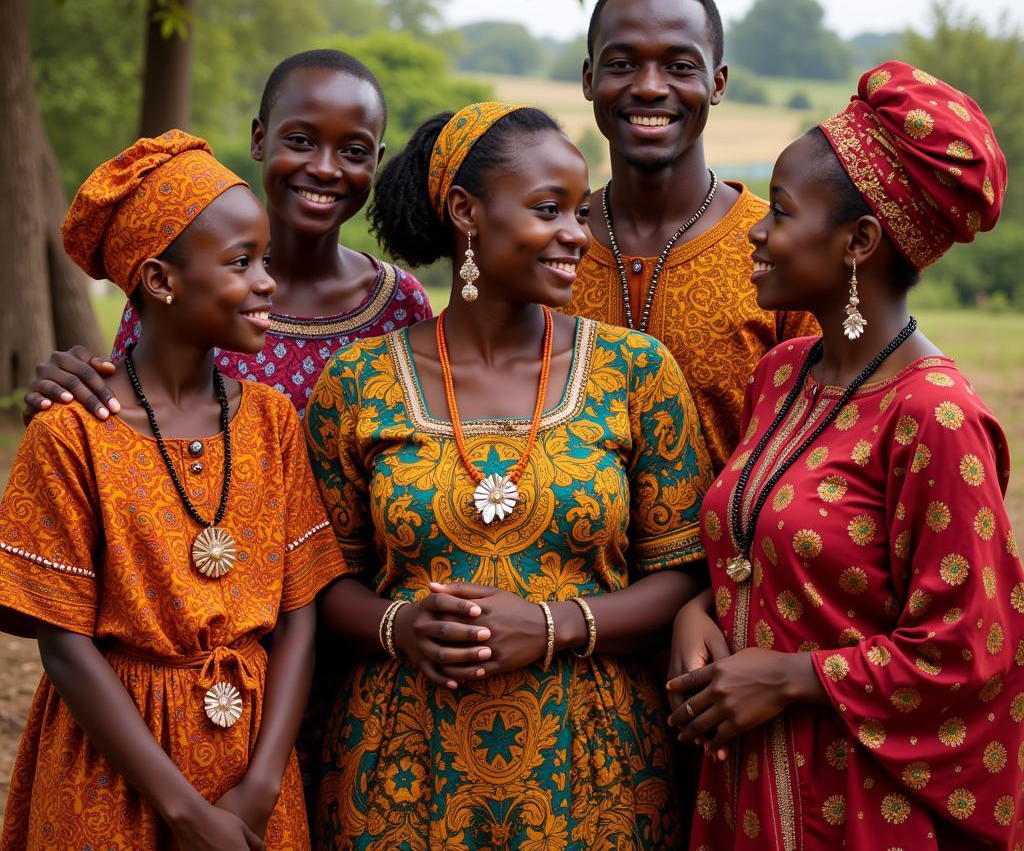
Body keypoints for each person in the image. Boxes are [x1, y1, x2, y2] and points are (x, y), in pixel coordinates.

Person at [303, 102, 715, 849]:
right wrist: (401, 626)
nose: (575, 236)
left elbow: (684, 570)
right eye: (548, 210)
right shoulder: (361, 381)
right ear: (466, 212)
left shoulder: (634, 371)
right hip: (399, 769)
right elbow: (318, 582)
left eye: (580, 211)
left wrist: (553, 625)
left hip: (594, 769)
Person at [666, 63, 1024, 849]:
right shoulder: (783, 372)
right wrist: (701, 610)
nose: (757, 228)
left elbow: (972, 652)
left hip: (859, 811)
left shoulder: (934, 417)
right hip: (743, 798)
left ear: (859, 241)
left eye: (783, 212)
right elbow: (757, 548)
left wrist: (793, 677)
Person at [0, 131, 346, 850]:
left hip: (252, 762)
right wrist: (186, 815)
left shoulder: (271, 420)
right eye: (241, 263)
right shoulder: (72, 434)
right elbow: (63, 645)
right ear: (160, 280)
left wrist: (257, 791)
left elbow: (300, 615)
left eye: (267, 262)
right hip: (111, 769)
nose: (266, 283)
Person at [23, 48, 432, 422]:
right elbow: (127, 419)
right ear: (259, 139)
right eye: (301, 141)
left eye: (354, 151)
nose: (325, 168)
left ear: (377, 162)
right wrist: (72, 396)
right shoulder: (184, 286)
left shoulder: (400, 305)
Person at [564, 0, 818, 474]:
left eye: (680, 66)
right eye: (622, 64)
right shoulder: (547, 245)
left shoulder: (779, 250)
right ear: (590, 79)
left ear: (717, 83)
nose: (651, 88)